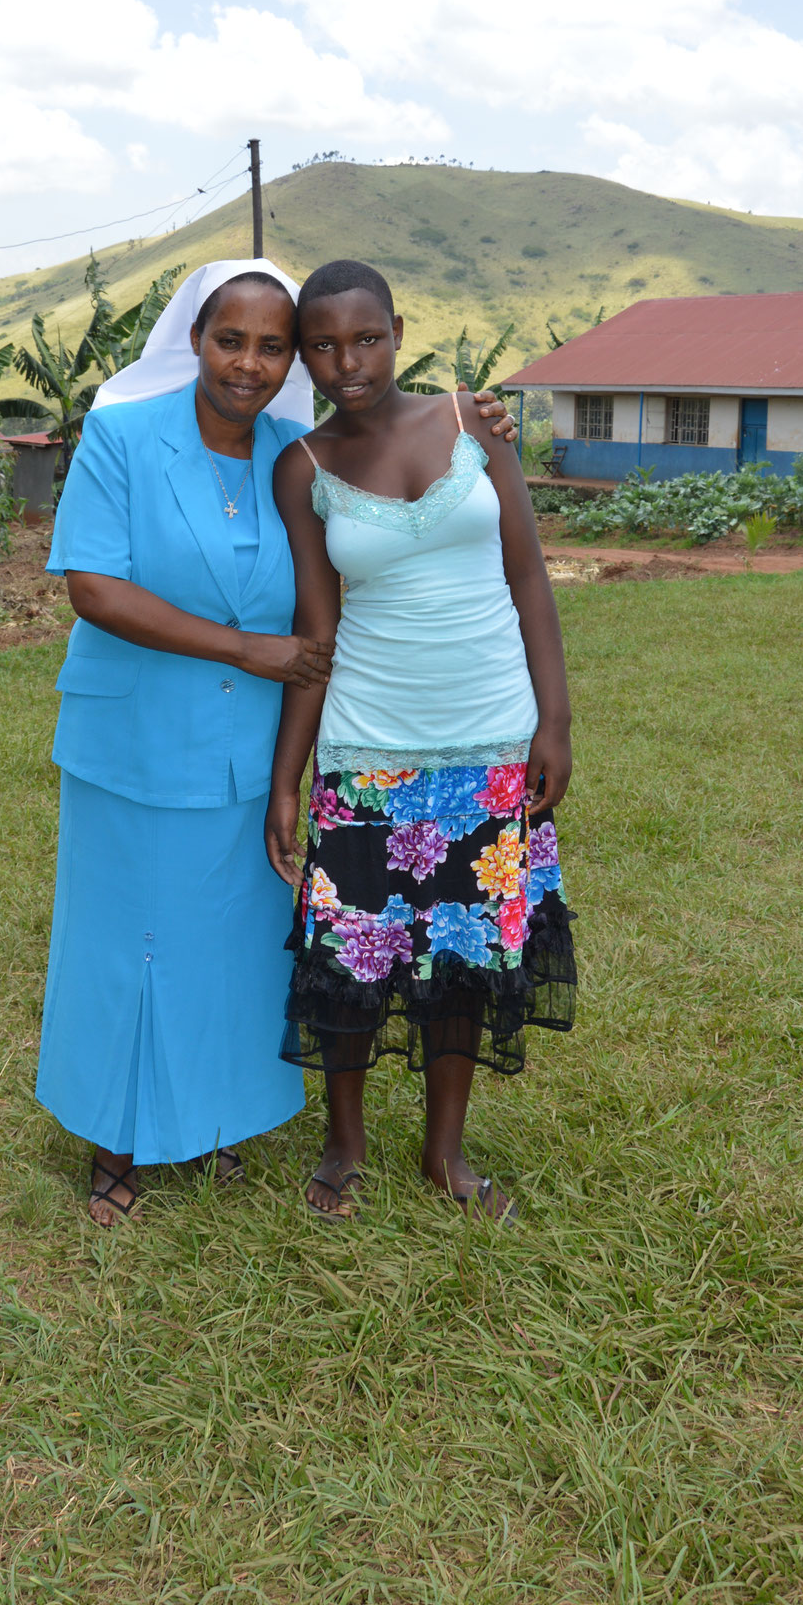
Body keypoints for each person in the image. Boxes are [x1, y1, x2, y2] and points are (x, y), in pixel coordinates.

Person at [36, 257, 522, 1227]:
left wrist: (486, 424)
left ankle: (208, 1121)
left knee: (226, 947)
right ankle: (115, 1141)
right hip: (135, 736)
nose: (249, 364)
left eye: (269, 346)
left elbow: (358, 550)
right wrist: (244, 646)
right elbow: (93, 586)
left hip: (252, 748)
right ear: (195, 338)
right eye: (231, 339)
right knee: (127, 944)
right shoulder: (121, 435)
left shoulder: (297, 454)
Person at [266, 258, 577, 1225]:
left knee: (465, 954)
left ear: (399, 328)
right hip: (368, 746)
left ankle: (445, 1153)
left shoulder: (472, 422)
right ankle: (344, 1144)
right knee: (354, 958)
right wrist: (289, 781)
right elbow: (317, 636)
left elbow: (527, 577)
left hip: (488, 738)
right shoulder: (304, 467)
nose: (347, 362)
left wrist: (553, 721)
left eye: (365, 338)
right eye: (322, 345)